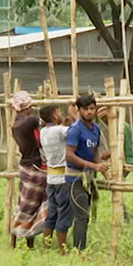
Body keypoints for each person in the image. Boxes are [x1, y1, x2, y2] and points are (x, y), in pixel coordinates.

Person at [65, 93, 110, 251]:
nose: (90, 112)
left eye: (92, 108)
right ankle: (79, 251)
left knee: (85, 216)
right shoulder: (75, 130)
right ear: (79, 110)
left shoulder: (96, 129)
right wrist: (93, 166)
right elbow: (69, 155)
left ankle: (80, 248)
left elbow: (95, 152)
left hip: (88, 178)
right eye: (86, 109)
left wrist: (104, 171)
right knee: (82, 216)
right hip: (75, 178)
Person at [10, 91, 48, 249]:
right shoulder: (30, 121)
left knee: (24, 204)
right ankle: (27, 239)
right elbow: (47, 123)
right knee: (34, 205)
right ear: (27, 107)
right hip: (35, 167)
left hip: (26, 166)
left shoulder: (15, 125)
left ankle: (15, 238)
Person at [40, 104, 74, 252]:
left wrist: (64, 124)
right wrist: (73, 120)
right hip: (63, 179)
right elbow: (76, 132)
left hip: (51, 178)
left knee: (52, 213)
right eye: (59, 112)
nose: (62, 114)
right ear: (54, 116)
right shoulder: (61, 130)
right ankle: (62, 249)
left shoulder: (43, 132)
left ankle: (46, 245)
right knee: (64, 213)